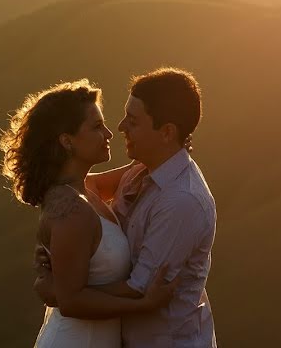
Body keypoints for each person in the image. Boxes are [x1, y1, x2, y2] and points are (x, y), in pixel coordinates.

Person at [36, 67, 217, 347]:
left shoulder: (181, 201)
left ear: (167, 132)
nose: (119, 127)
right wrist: (58, 243)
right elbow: (79, 188)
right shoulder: (140, 171)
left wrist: (58, 289)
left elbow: (141, 289)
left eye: (132, 121)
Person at [0, 79, 178, 348]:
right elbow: (71, 302)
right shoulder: (73, 210)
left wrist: (169, 148)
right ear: (67, 141)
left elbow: (136, 172)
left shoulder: (84, 188)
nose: (108, 133)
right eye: (96, 127)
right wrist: (144, 304)